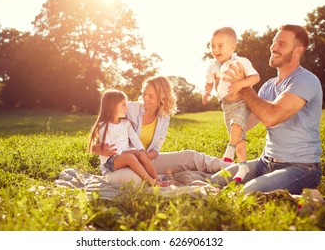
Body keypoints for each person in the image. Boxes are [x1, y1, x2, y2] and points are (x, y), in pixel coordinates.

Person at [210, 24, 323, 195]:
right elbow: (244, 125)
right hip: (265, 162)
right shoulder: (268, 86)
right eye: (274, 42)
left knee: (249, 192)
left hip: (301, 168)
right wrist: (227, 96)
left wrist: (243, 87)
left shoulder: (305, 80)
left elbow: (272, 117)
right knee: (216, 181)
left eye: (282, 44)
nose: (273, 47)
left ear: (298, 50)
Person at [91, 76, 232, 186]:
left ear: (162, 98)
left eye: (151, 96)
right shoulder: (130, 109)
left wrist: (145, 156)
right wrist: (98, 148)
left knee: (191, 156)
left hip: (147, 160)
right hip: (124, 162)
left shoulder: (164, 118)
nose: (145, 99)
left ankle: (233, 169)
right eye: (144, 94)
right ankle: (155, 180)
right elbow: (108, 120)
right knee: (136, 180)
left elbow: (157, 146)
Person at [203, 27, 260, 182]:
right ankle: (243, 166)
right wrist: (206, 92)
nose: (215, 50)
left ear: (233, 47)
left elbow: (255, 77)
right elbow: (208, 83)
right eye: (212, 46)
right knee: (239, 138)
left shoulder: (240, 62)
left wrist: (240, 83)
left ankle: (229, 150)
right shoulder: (213, 66)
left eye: (220, 46)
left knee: (237, 125)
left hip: (241, 102)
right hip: (226, 106)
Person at [88, 89, 169, 187]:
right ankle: (151, 181)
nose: (126, 107)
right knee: (130, 157)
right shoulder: (103, 126)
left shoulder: (126, 123)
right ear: (112, 106)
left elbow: (134, 138)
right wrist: (123, 153)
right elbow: (109, 149)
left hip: (124, 156)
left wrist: (141, 149)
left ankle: (156, 178)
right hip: (110, 161)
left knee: (142, 155)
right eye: (123, 105)